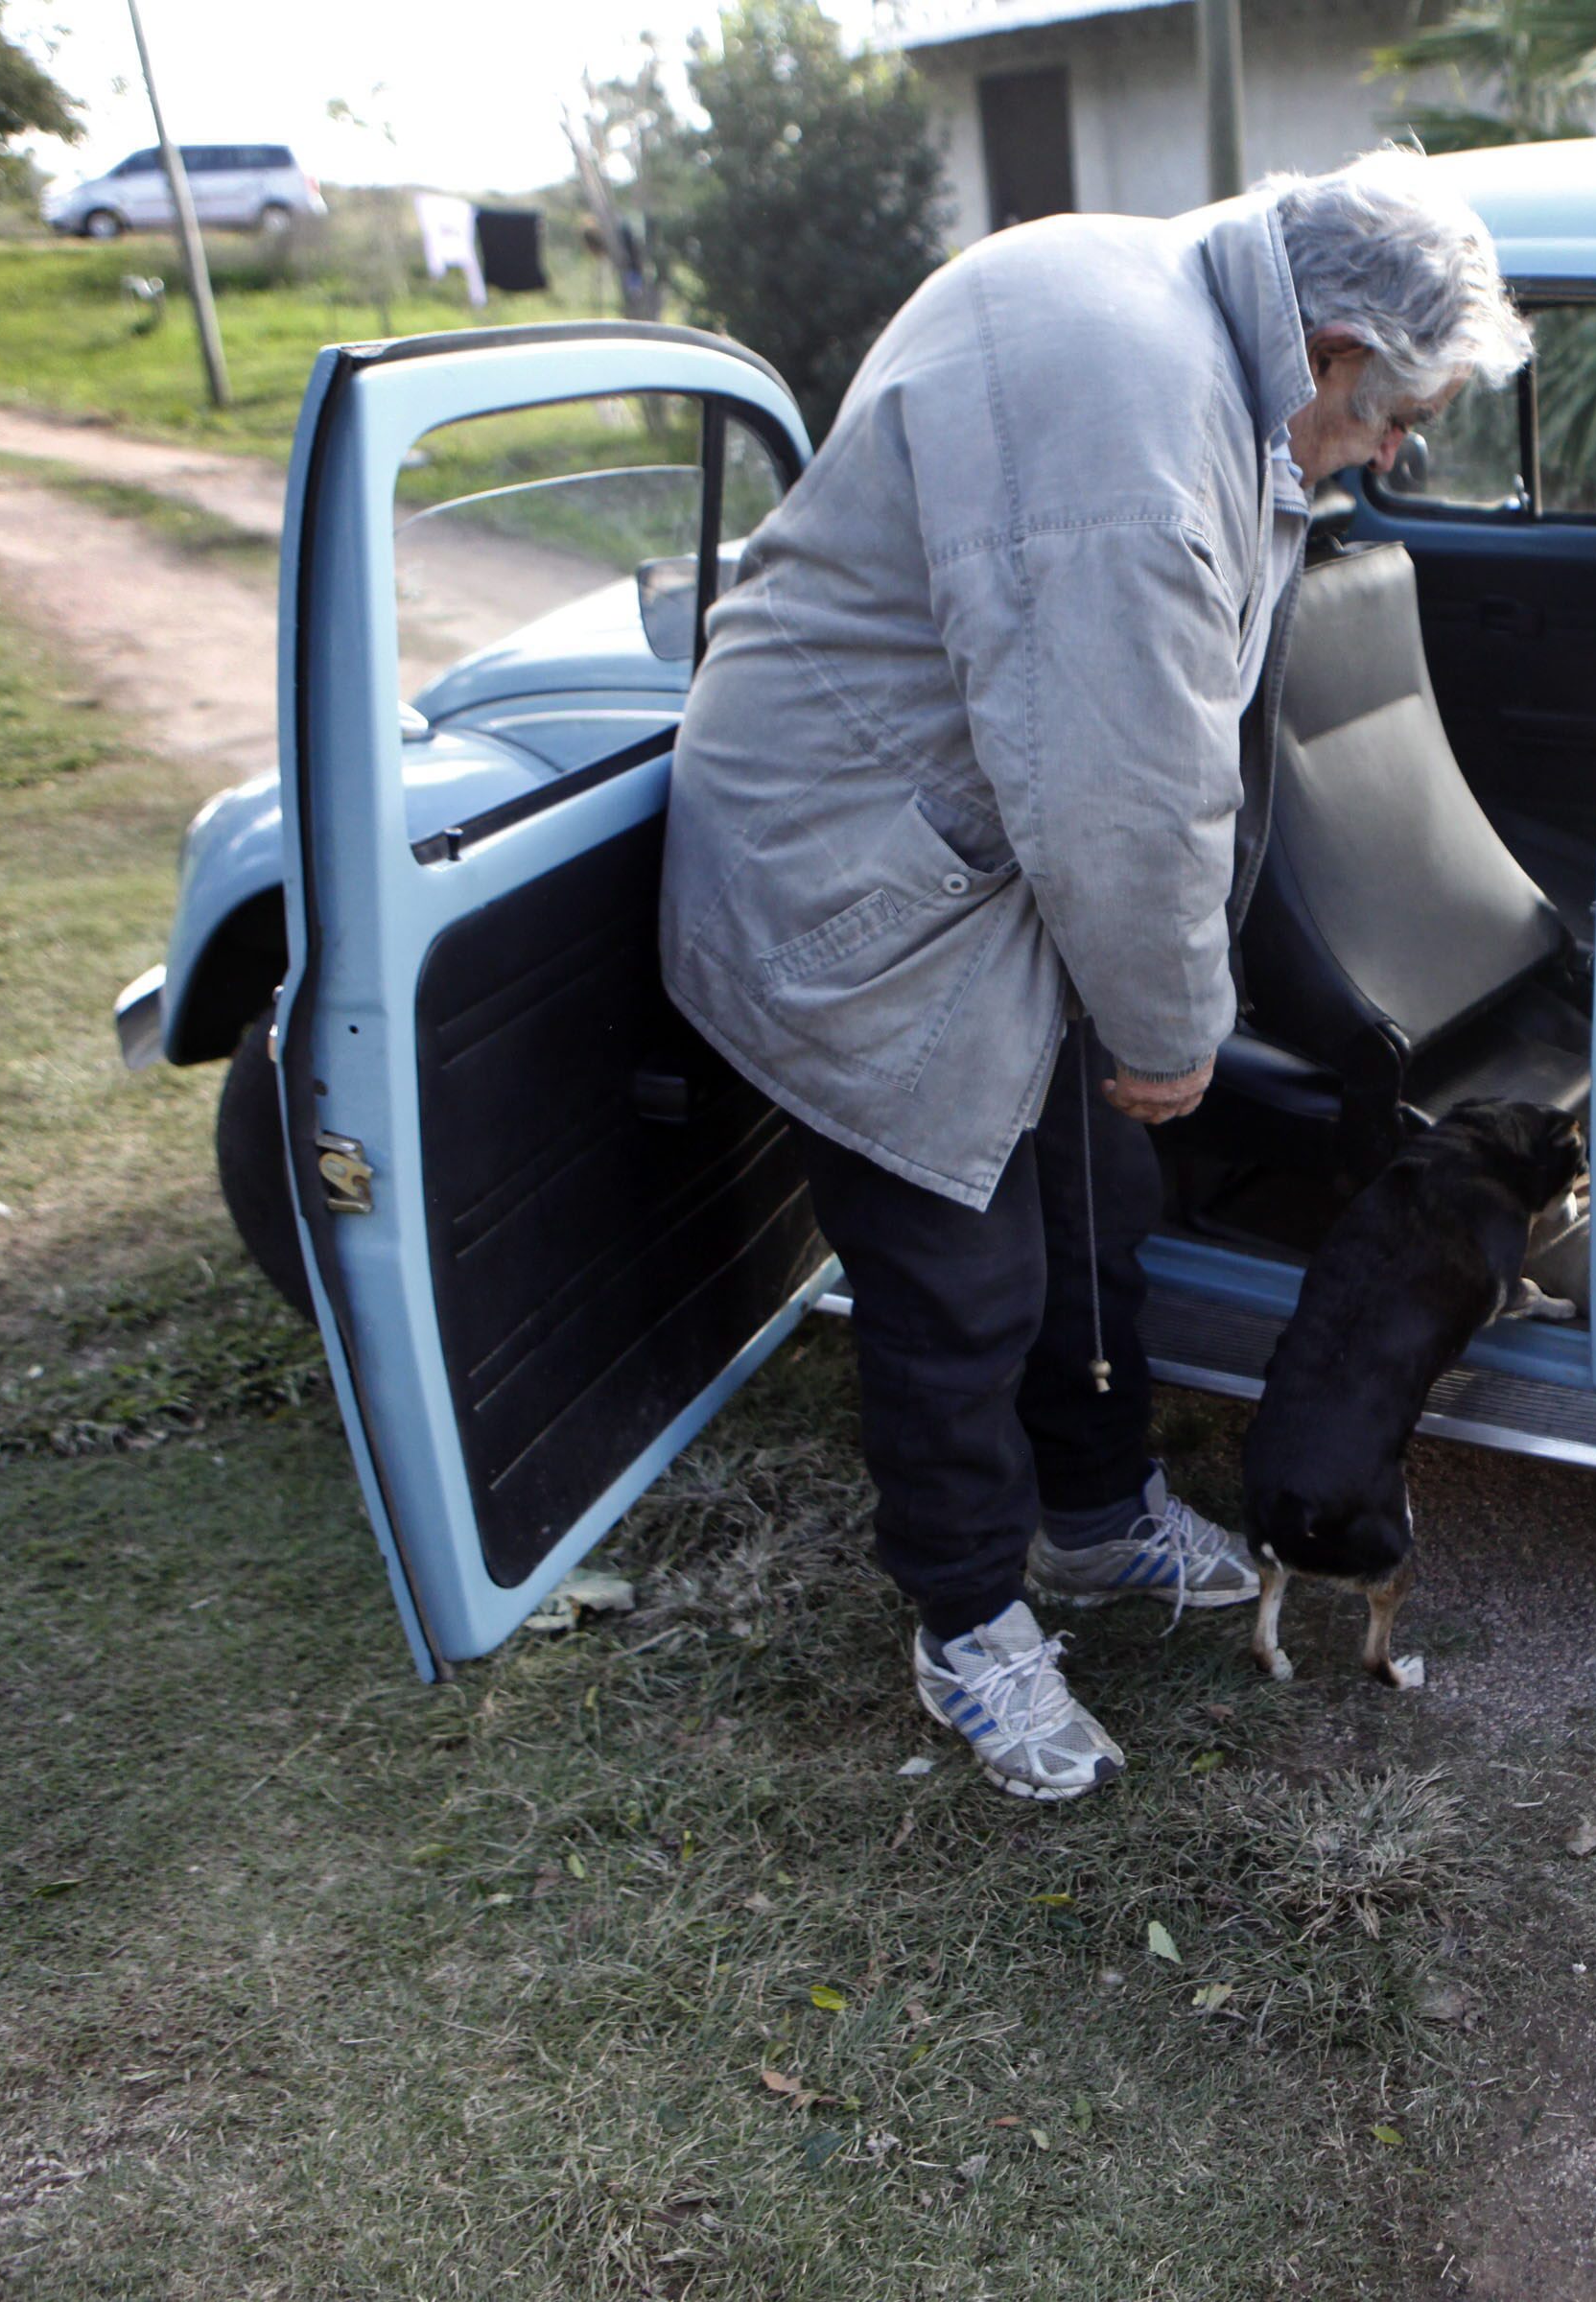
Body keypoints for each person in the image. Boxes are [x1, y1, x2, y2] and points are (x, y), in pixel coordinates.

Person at [658, 154, 1530, 1800]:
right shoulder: (1129, 434)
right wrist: (1168, 1028)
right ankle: (969, 1619)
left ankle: (1095, 1514)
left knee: (1096, 1199)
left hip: (990, 860)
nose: (1397, 452)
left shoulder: (1207, 341)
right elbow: (1121, 798)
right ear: (1334, 345)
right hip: (865, 889)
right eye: (1399, 413)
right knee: (958, 1273)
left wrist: (1148, 1023)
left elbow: (1138, 767)